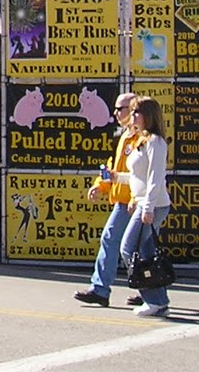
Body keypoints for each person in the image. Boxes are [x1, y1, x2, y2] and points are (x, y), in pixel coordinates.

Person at [74, 92, 142, 309]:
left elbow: (145, 174)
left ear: (132, 111)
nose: (115, 113)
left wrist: (134, 198)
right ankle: (142, 289)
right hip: (123, 201)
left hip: (135, 202)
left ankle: (103, 289)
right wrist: (100, 186)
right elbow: (112, 167)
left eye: (120, 109)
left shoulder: (143, 138)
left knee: (126, 245)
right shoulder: (123, 136)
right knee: (125, 244)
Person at [119, 96, 173, 318]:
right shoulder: (140, 141)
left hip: (152, 204)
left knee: (128, 248)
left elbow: (155, 178)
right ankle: (158, 301)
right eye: (132, 112)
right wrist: (116, 178)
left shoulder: (156, 143)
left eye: (137, 113)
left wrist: (148, 207)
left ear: (148, 116)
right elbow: (136, 176)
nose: (133, 117)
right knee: (145, 253)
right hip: (142, 201)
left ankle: (153, 299)